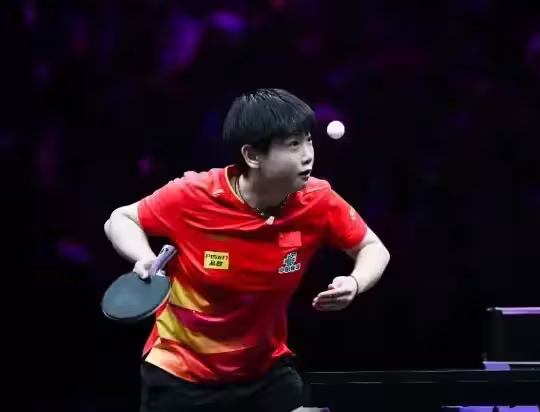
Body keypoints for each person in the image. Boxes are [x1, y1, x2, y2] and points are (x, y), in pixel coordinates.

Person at [104, 88, 390, 412]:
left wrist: (355, 282)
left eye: (308, 140)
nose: (308, 154)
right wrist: (144, 257)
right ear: (252, 156)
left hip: (264, 372)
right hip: (181, 375)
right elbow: (121, 219)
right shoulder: (194, 195)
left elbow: (372, 248)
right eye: (293, 145)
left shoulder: (317, 201)